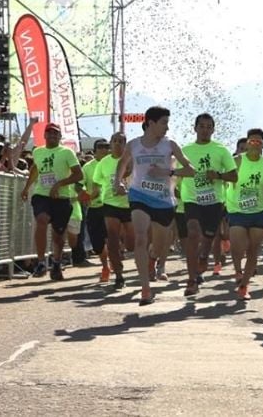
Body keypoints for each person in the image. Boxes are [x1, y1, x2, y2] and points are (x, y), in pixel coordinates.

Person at [114, 106, 195, 305]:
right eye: (164, 123)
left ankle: (153, 259)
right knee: (140, 238)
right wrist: (117, 182)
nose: (167, 128)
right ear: (150, 123)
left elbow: (190, 170)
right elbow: (122, 163)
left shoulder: (170, 145)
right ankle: (145, 288)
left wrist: (167, 173)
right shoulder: (133, 145)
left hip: (163, 200)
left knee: (159, 247)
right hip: (139, 195)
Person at [179, 113, 237, 296]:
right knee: (193, 232)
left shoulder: (221, 150)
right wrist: (173, 189)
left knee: (207, 240)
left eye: (208, 127)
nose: (204, 130)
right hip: (191, 199)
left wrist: (218, 176)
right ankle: (191, 279)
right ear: (194, 128)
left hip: (214, 202)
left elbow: (234, 176)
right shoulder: (185, 150)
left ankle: (204, 256)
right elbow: (176, 172)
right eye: (201, 126)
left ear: (213, 129)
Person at [21, 122, 83, 280]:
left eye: (55, 133)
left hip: (61, 197)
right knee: (41, 220)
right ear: (45, 135)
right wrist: (27, 188)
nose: (52, 135)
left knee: (58, 235)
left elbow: (78, 175)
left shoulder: (67, 152)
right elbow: (36, 169)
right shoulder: (38, 151)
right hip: (42, 194)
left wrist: (59, 184)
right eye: (49, 132)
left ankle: (56, 263)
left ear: (60, 136)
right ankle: (41, 261)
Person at [226, 128, 263, 299]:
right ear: (247, 143)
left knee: (253, 249)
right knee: (237, 247)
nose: (255, 144)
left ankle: (244, 286)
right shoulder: (236, 161)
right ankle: (237, 271)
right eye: (252, 141)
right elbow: (224, 178)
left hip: (257, 211)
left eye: (259, 141)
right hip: (236, 209)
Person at [94, 133, 134, 290]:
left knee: (131, 244)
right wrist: (92, 195)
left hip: (129, 204)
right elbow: (97, 183)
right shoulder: (103, 163)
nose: (117, 144)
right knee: (112, 238)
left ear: (125, 144)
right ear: (111, 143)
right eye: (115, 141)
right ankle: (118, 274)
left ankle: (123, 248)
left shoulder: (131, 159)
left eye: (121, 141)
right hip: (110, 203)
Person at [82, 139, 111, 281]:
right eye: (101, 147)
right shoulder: (87, 167)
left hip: (111, 207)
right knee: (97, 243)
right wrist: (83, 194)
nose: (104, 149)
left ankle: (112, 267)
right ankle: (105, 266)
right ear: (95, 150)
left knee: (112, 238)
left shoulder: (114, 163)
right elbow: (79, 184)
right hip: (94, 208)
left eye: (107, 147)